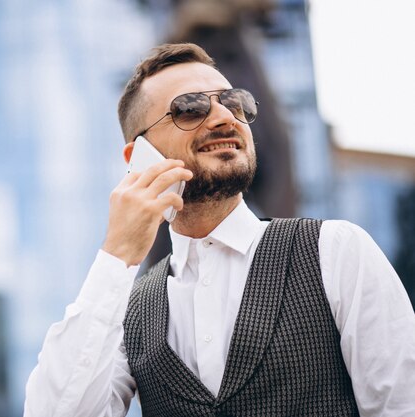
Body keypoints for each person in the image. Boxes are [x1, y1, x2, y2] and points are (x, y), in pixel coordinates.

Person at [24, 43, 415, 416]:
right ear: (138, 156)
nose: (226, 117)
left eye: (235, 103)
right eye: (190, 108)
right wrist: (117, 255)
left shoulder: (336, 250)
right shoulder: (126, 309)